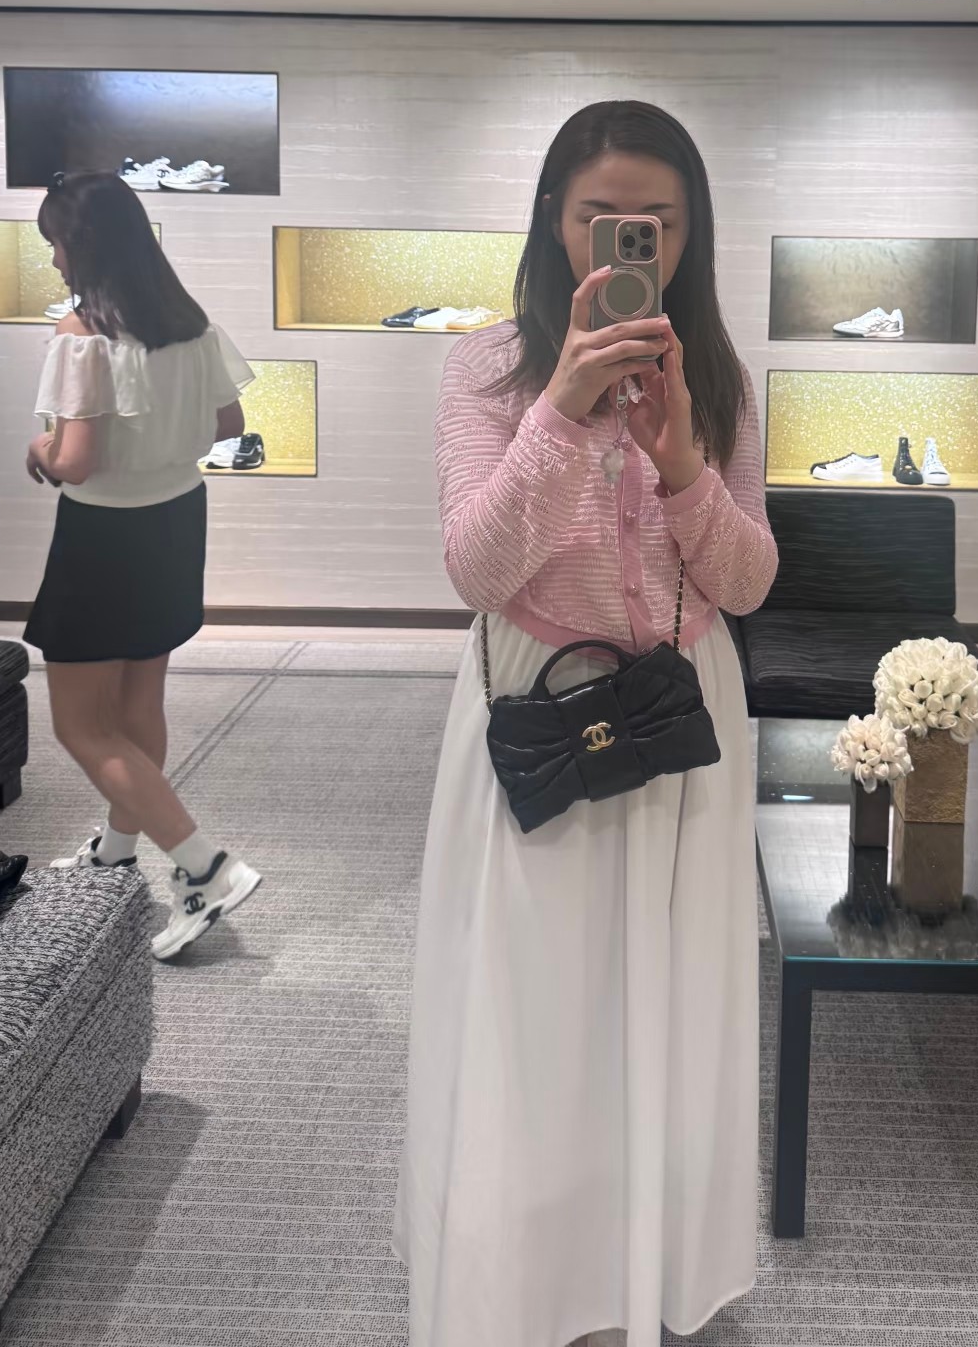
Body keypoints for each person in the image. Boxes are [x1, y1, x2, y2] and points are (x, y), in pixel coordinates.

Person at [394, 101, 778, 1347]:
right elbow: (477, 567)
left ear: (690, 232)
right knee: (533, 1008)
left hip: (683, 714)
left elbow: (747, 583)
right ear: (555, 222)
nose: (628, 239)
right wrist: (559, 413)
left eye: (656, 221)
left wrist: (683, 466)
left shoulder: (718, 376)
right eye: (601, 217)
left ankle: (646, 1269)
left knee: (674, 999)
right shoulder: (487, 370)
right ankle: (520, 1276)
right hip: (539, 706)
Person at [23, 170, 262, 961]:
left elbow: (77, 462)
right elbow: (229, 422)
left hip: (103, 538)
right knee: (137, 703)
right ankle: (117, 850)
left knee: (81, 725)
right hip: (175, 521)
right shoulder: (188, 323)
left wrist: (41, 448)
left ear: (84, 245)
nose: (54, 258)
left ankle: (206, 867)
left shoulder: (81, 334)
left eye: (57, 242)